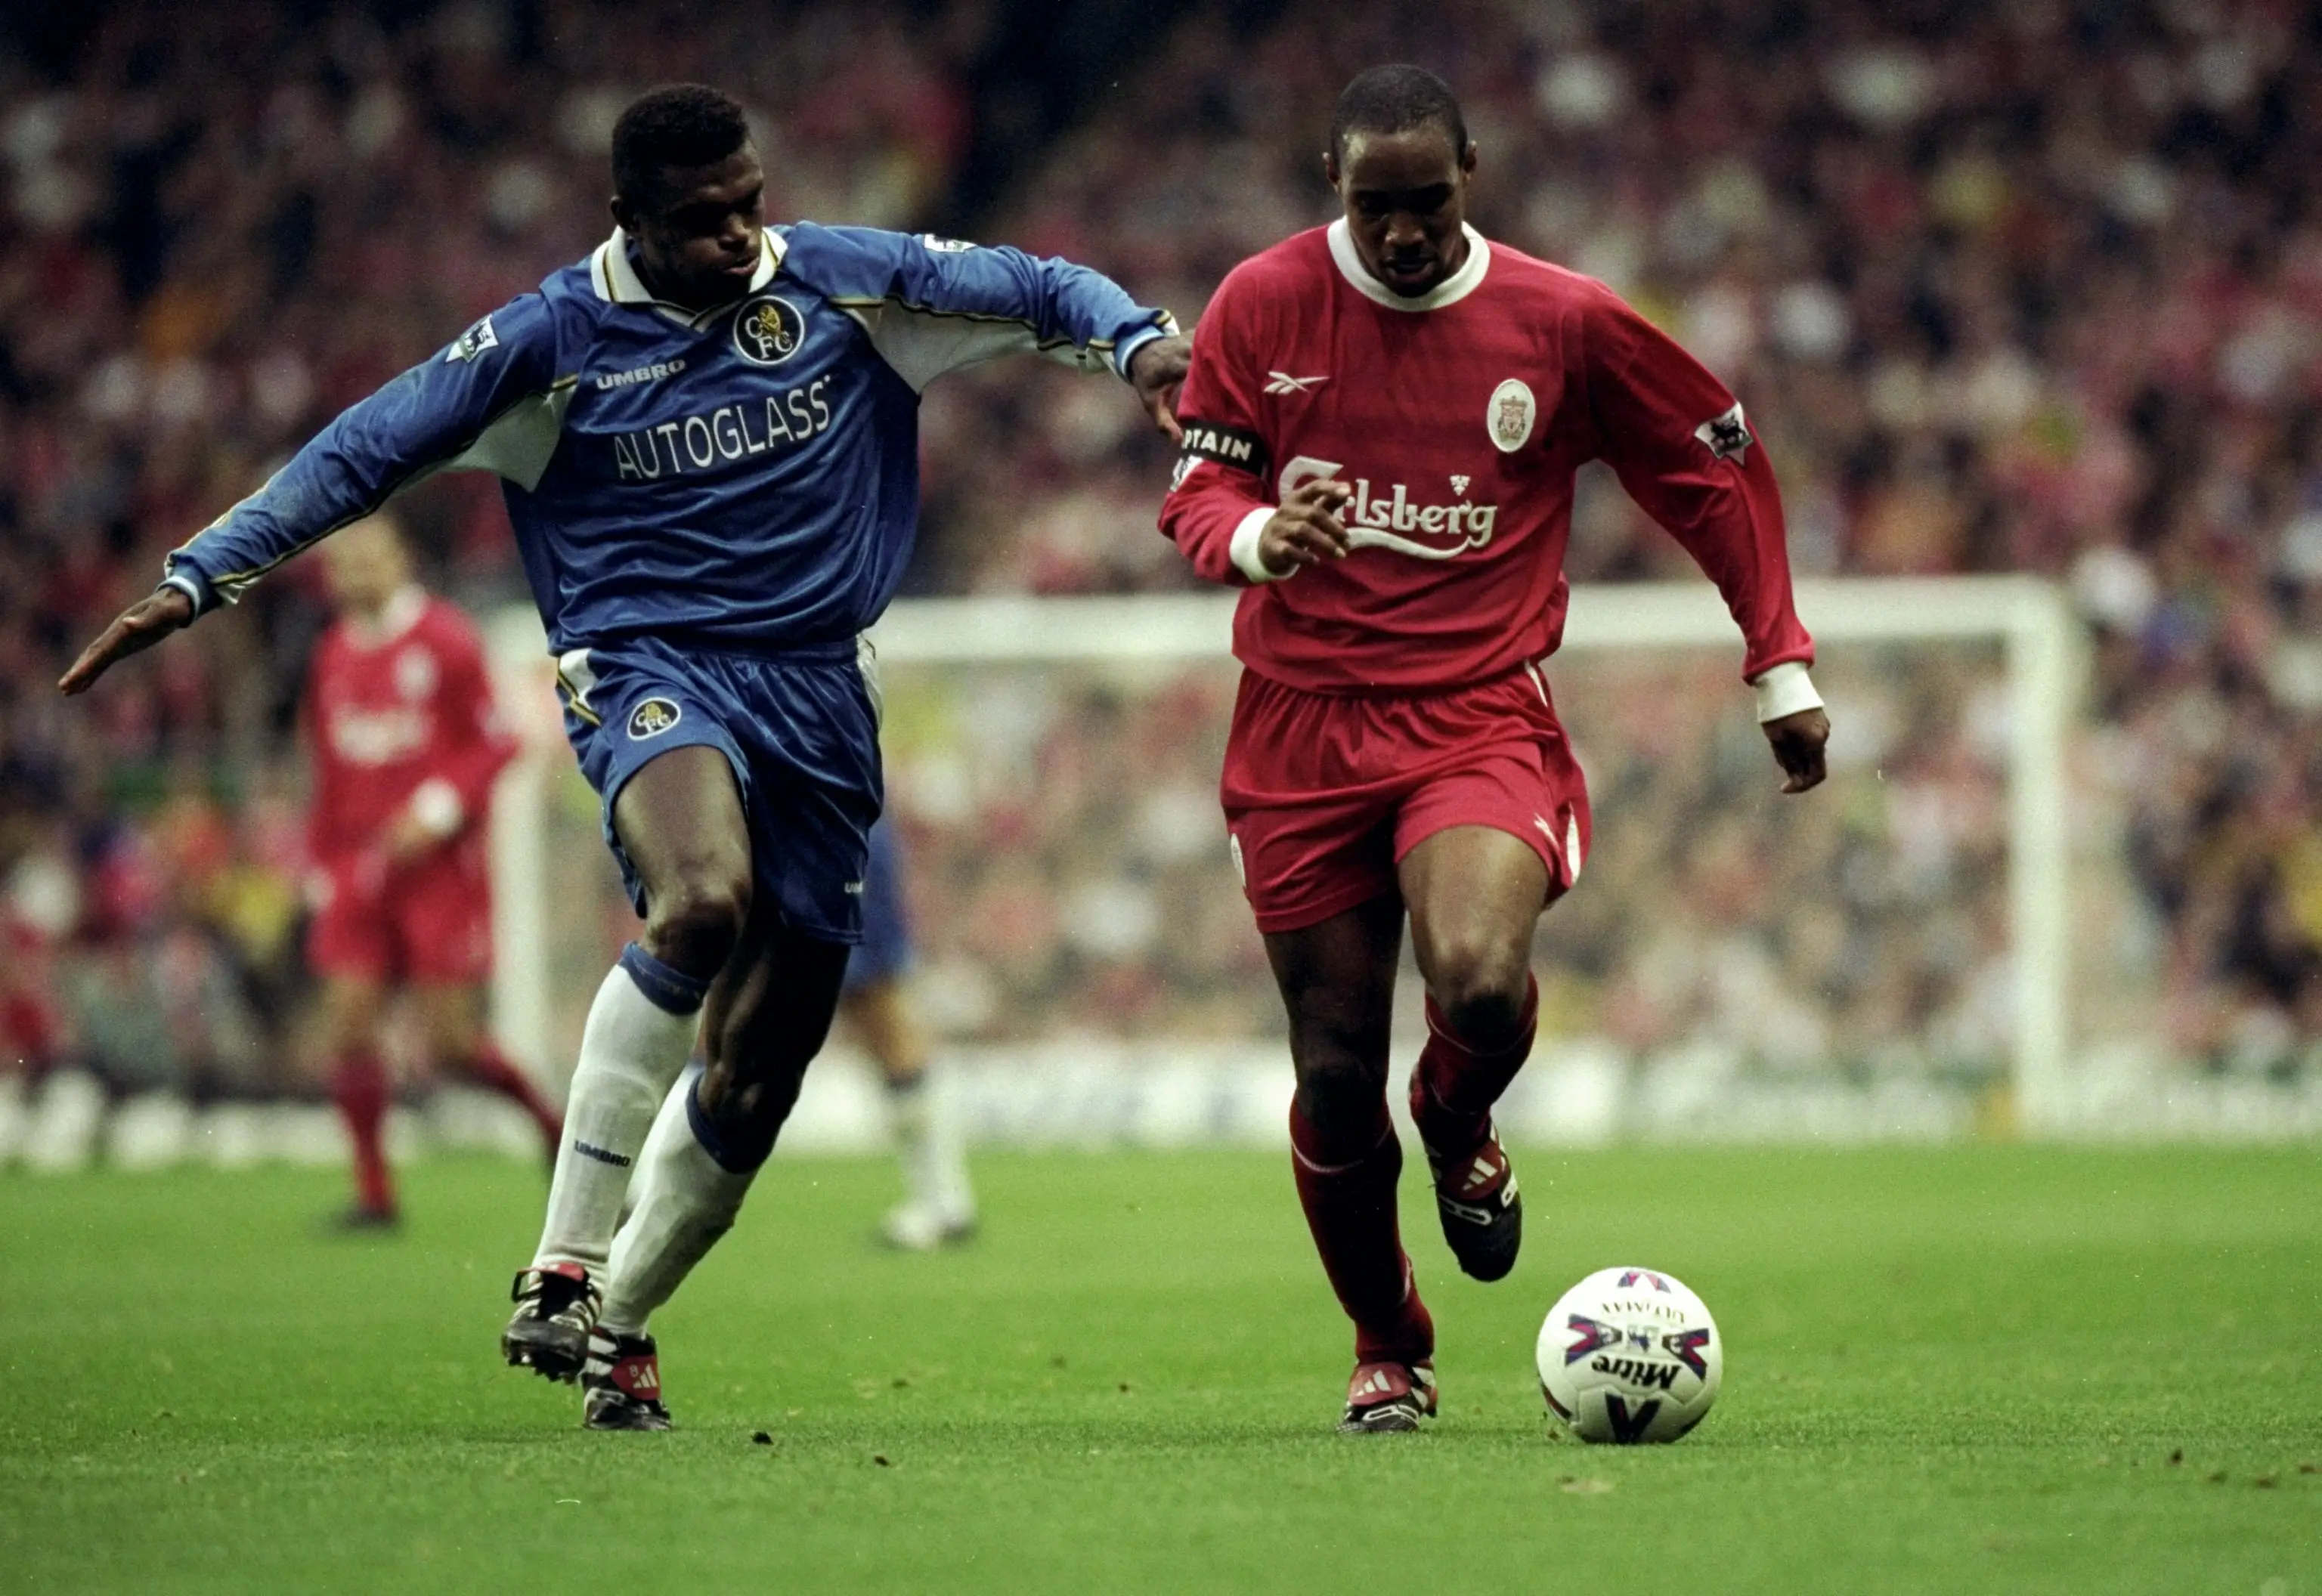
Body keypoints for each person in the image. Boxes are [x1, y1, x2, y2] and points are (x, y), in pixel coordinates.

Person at [62, 83, 1188, 1431]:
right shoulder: (546, 343)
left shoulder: (841, 286)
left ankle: (622, 1323)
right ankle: (561, 1260)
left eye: (750, 204)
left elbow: (1043, 289)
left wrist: (1137, 345)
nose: (739, 238)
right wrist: (201, 574)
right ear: (627, 221)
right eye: (702, 221)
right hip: (646, 666)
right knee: (699, 898)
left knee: (759, 1077)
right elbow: (364, 449)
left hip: (823, 694)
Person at [1157, 65, 1831, 1434]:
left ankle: (1459, 1125)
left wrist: (1778, 660)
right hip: (1296, 726)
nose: (1402, 232)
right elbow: (1198, 482)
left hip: (1474, 710)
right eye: (1373, 205)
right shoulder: (1260, 302)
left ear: (1471, 173)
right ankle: (1387, 1341)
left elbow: (1712, 465)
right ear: (1331, 189)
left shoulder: (1562, 320)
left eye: (1428, 200)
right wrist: (1253, 536)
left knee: (1472, 981)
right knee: (1334, 1073)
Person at [302, 512, 559, 1227]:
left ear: (402, 561)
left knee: (448, 1044)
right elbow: (326, 770)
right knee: (349, 1024)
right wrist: (321, 862)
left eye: (371, 562)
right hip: (359, 865)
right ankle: (375, 1195)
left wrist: (440, 806)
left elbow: (500, 740)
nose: (358, 576)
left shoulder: (444, 639)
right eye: (345, 566)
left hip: (439, 871)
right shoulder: (332, 655)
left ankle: (554, 1131)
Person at [847, 816, 977, 1251]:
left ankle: (944, 1202)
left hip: (831, 810)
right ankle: (944, 1202)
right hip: (802, 814)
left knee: (878, 1011)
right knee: (872, 1018)